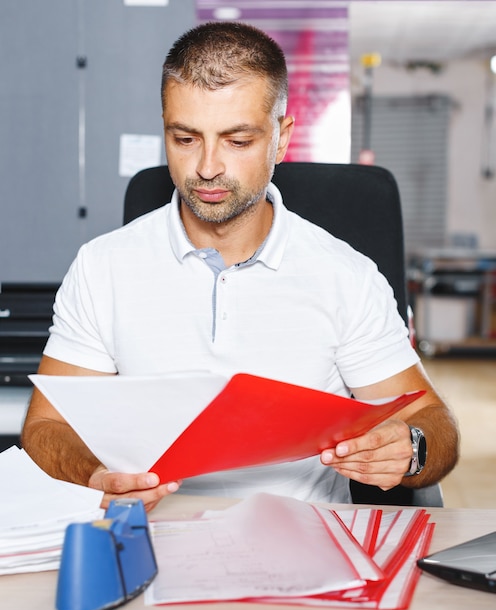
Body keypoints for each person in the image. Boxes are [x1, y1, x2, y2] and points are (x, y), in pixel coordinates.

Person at [21, 21, 459, 512]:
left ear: (281, 137)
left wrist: (411, 450)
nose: (207, 167)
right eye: (185, 139)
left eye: (237, 141)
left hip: (303, 554)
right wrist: (96, 475)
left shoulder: (345, 276)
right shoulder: (103, 266)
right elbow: (45, 427)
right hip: (149, 544)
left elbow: (433, 423)